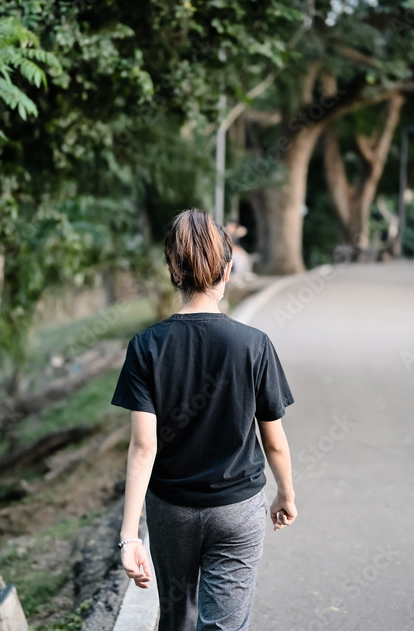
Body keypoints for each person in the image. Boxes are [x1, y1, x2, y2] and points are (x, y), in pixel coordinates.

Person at [111, 208, 297, 631]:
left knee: (177, 620)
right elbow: (275, 442)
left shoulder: (146, 346)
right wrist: (285, 493)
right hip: (238, 508)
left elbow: (144, 446)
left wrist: (129, 538)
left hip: (171, 510)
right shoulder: (254, 345)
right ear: (227, 269)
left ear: (172, 270)